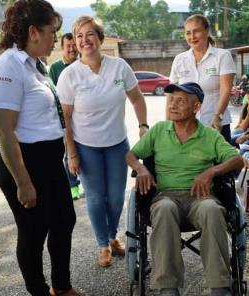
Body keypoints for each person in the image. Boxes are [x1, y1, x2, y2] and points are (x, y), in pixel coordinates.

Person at [0, 1, 80, 295]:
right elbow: (3, 129)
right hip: (25, 164)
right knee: (33, 232)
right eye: (52, 32)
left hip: (50, 161)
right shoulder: (8, 66)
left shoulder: (35, 65)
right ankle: (38, 291)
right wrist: (23, 183)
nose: (56, 38)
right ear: (33, 32)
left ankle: (61, 287)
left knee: (65, 221)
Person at [126, 82, 244, 296]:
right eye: (171, 99)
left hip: (201, 197)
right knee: (164, 209)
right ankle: (168, 287)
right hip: (166, 196)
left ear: (196, 107)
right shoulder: (159, 130)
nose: (173, 105)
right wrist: (141, 168)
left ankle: (219, 286)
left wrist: (212, 172)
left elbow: (238, 159)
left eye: (180, 101)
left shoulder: (209, 135)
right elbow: (130, 155)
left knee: (212, 209)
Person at [56, 15, 148, 268]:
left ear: (99, 38)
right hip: (86, 147)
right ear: (75, 41)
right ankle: (103, 244)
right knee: (96, 198)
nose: (84, 40)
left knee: (117, 197)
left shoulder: (119, 67)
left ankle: (112, 234)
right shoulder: (69, 75)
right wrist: (72, 153)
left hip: (118, 143)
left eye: (89, 34)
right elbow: (65, 118)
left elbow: (138, 98)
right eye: (79, 36)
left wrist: (143, 126)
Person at [169, 14, 235, 142]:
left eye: (196, 31)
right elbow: (171, 96)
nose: (192, 37)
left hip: (215, 125)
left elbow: (226, 90)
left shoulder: (222, 56)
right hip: (186, 126)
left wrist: (218, 117)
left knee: (219, 161)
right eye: (188, 33)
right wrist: (168, 123)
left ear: (207, 31)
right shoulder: (179, 59)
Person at [48, 32, 81, 199]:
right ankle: (73, 186)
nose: (72, 49)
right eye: (68, 46)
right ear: (62, 48)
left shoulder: (85, 64)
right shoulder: (55, 68)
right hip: (64, 119)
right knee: (68, 153)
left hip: (83, 119)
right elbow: (54, 95)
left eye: (74, 45)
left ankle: (82, 183)